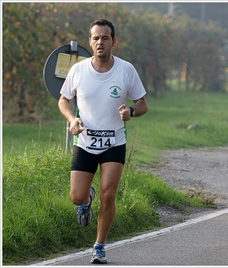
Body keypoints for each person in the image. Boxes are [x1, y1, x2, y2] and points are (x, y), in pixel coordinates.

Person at [58, 19, 148, 264]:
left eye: (105, 38)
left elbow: (143, 104)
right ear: (90, 41)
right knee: (76, 196)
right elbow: (64, 100)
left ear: (113, 42)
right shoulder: (78, 70)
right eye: (95, 38)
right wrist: (71, 118)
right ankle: (87, 200)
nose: (100, 42)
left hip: (114, 142)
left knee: (109, 195)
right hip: (85, 142)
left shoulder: (126, 70)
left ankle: (99, 246)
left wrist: (131, 111)